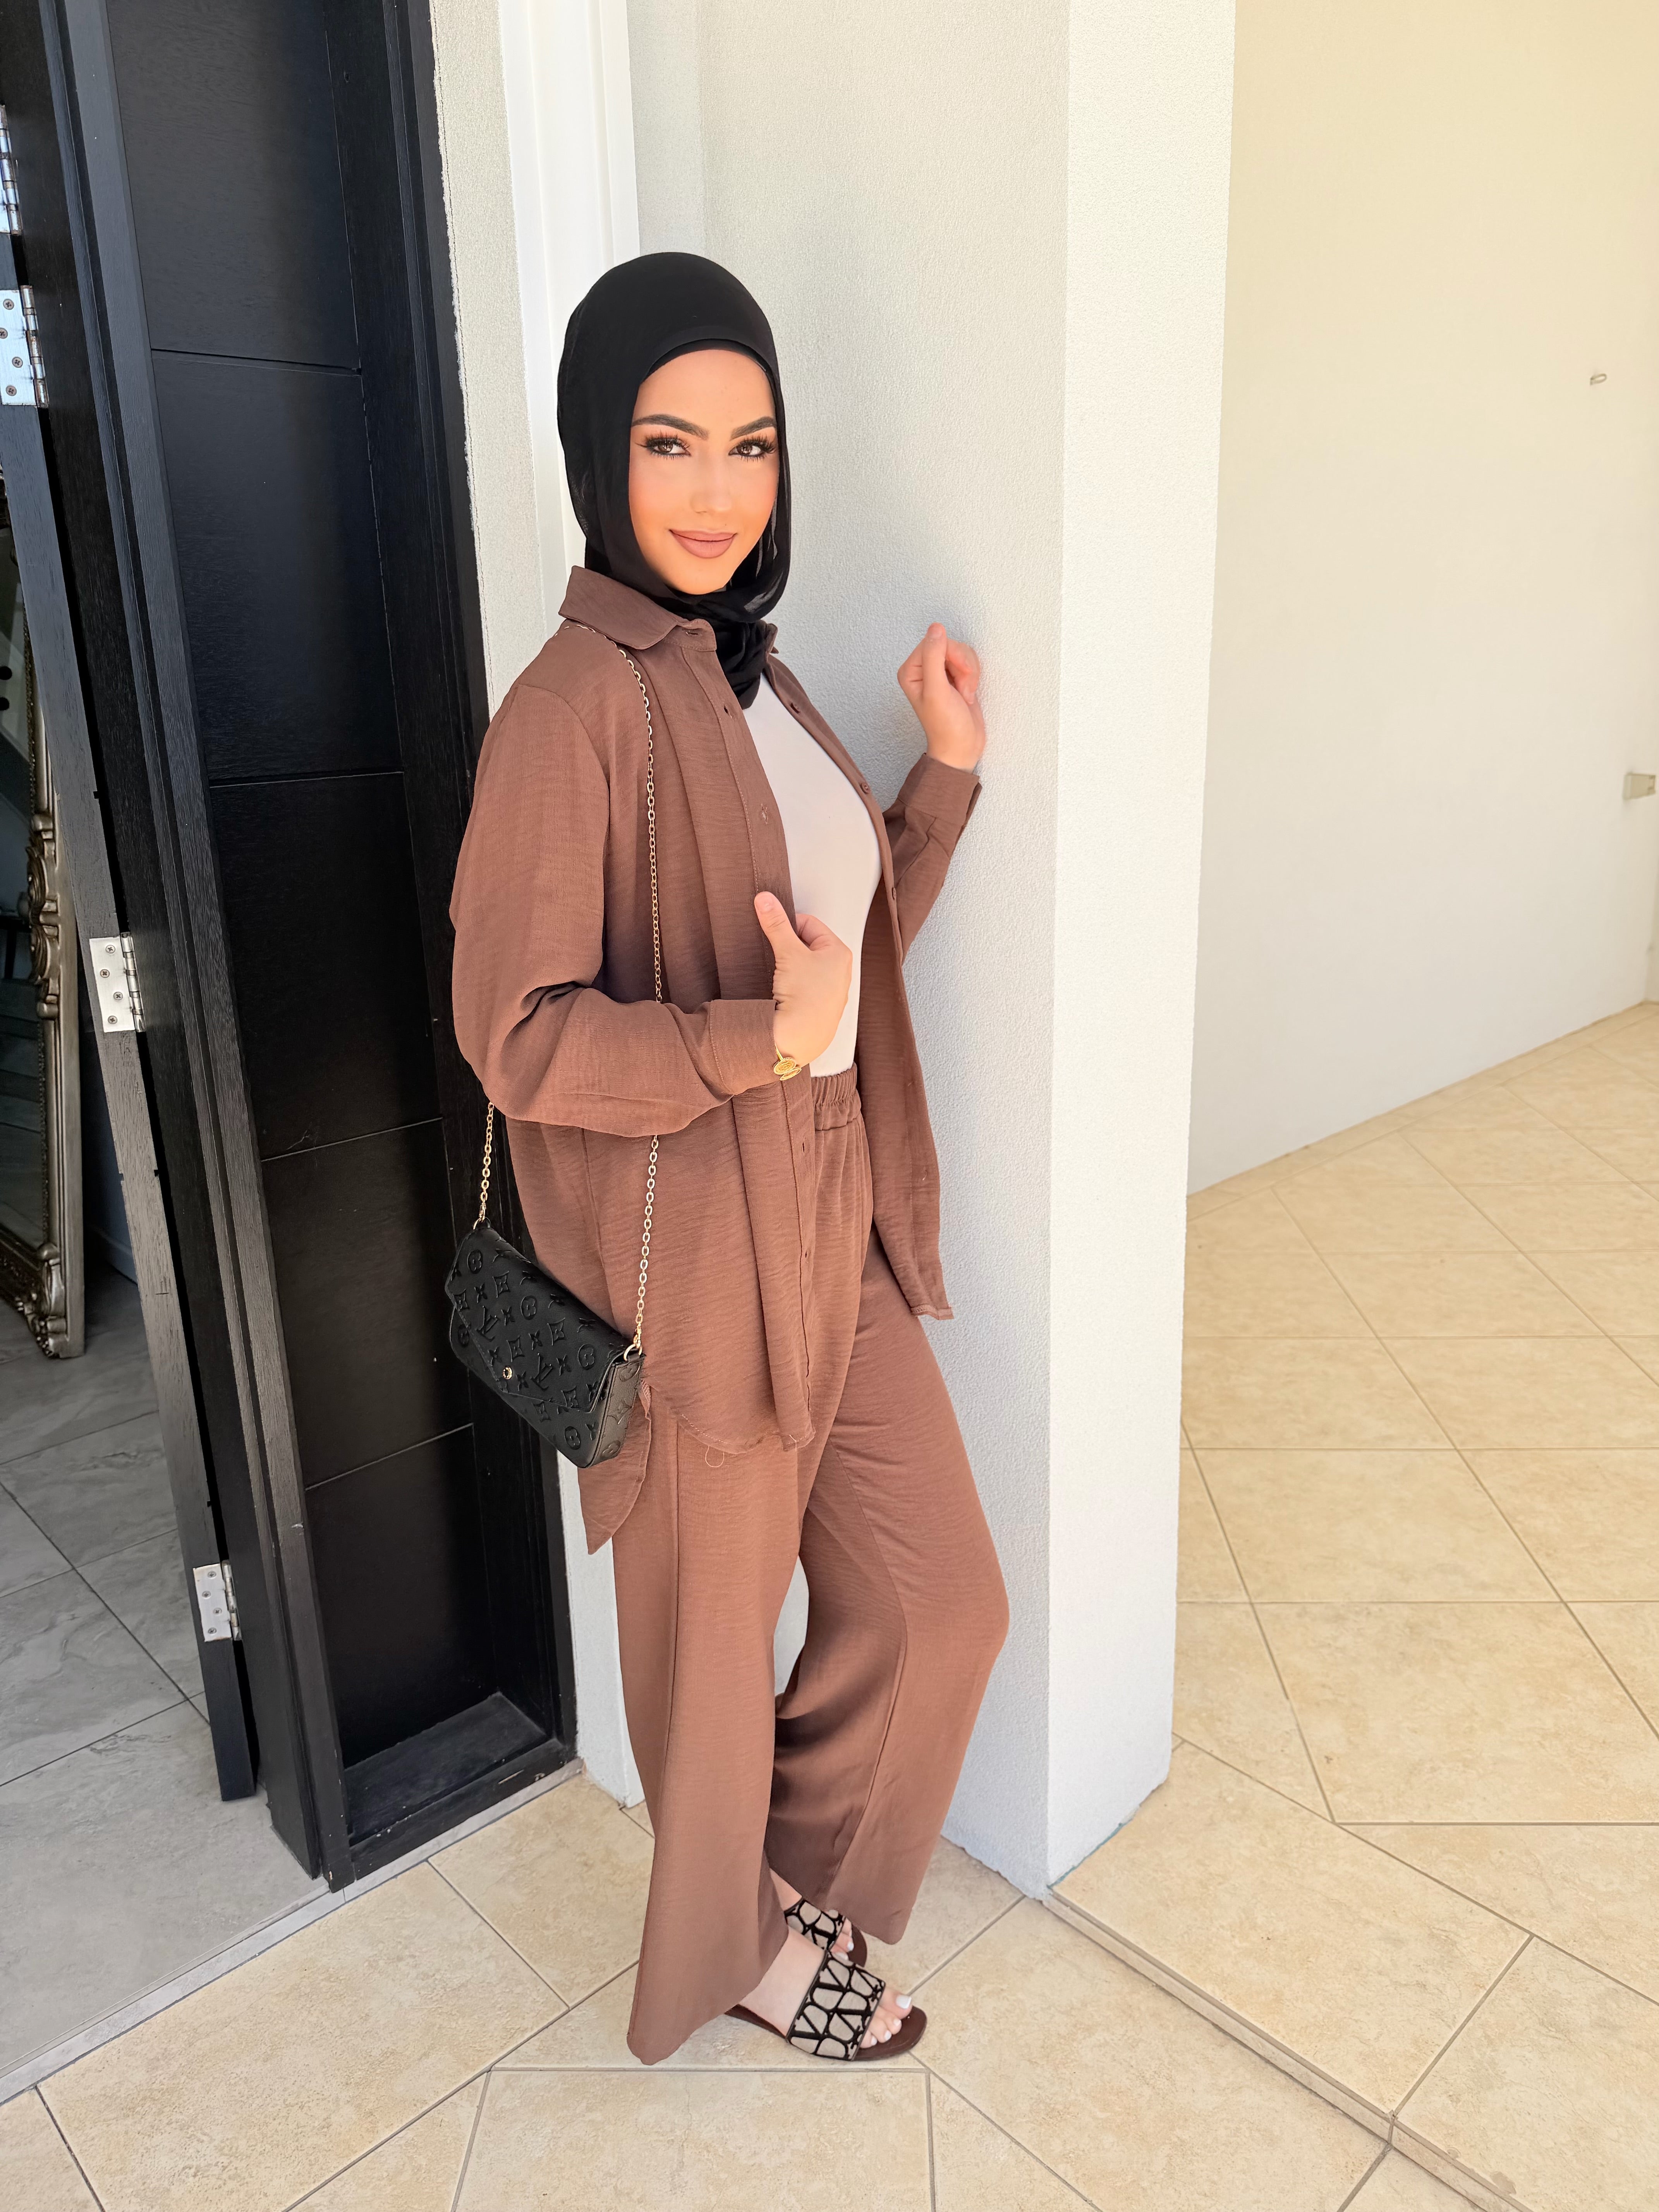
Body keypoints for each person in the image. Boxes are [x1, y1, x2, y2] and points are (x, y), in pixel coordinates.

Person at [450, 252, 1007, 2065]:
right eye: (668, 442)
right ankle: (739, 1956)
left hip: (829, 1206)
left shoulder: (753, 676)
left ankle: (782, 1886)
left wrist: (941, 778)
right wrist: (739, 1044)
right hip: (692, 1260)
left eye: (750, 444)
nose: (714, 490)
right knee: (709, 1660)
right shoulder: (570, 707)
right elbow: (517, 1036)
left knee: (941, 1600)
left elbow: (836, 961)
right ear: (597, 457)